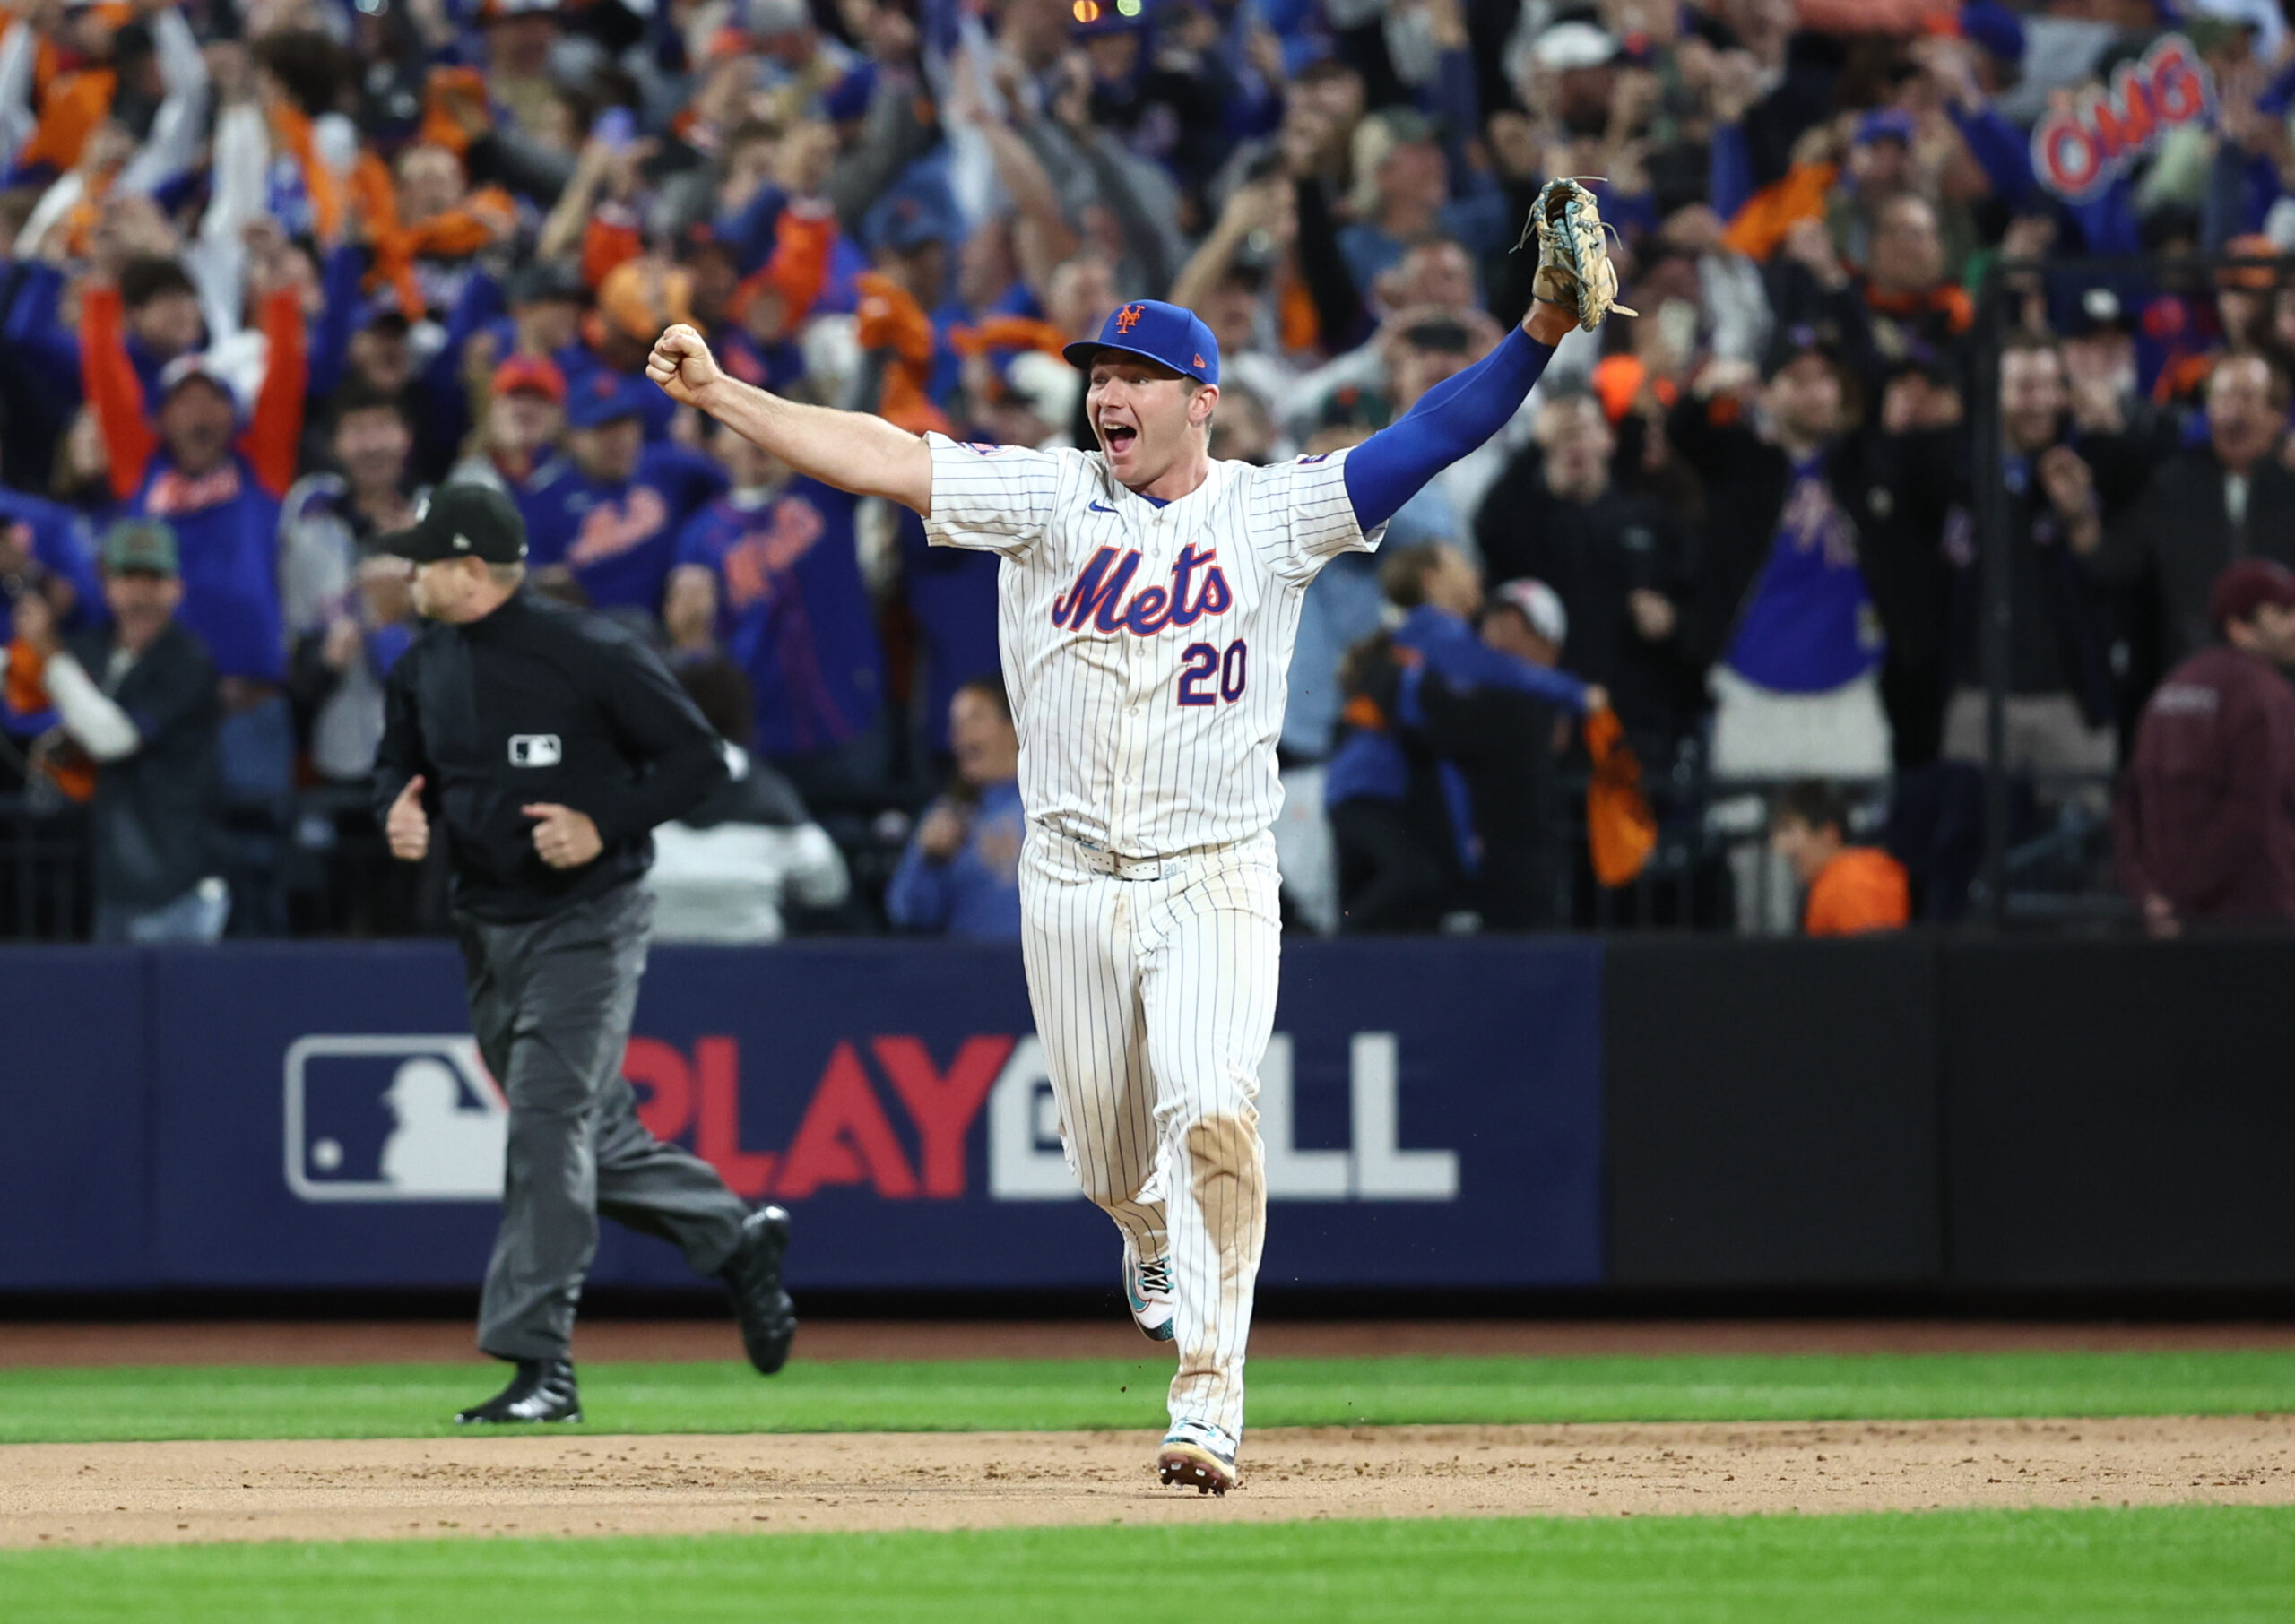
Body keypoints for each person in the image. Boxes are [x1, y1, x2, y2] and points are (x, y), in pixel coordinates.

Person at [649, 228, 1606, 1490]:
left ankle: (1208, 1399)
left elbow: (1427, 437)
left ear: (1199, 402)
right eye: (1099, 374)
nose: (1109, 393)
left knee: (1213, 1110)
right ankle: (1145, 1232)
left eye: (1138, 375)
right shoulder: (1047, 498)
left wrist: (1537, 333)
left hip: (1215, 872)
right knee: (1107, 1159)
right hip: (1072, 880)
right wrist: (724, 395)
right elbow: (884, 457)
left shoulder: (1270, 513)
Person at [368, 484, 795, 1425]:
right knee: (587, 1137)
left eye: (423, 560)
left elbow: (697, 760)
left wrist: (604, 820)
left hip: (588, 920)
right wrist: (398, 806)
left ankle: (540, 1363)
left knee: (547, 1127)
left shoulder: (587, 651)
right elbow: (398, 766)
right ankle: (733, 1236)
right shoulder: (424, 663)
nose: (407, 575)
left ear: (471, 570)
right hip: (487, 925)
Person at [9, 519, 227, 943]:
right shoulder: (93, 650)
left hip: (178, 887)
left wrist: (48, 651)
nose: (141, 593)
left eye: (154, 578)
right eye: (128, 577)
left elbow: (115, 738)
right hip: (110, 882)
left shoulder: (187, 661)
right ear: (107, 586)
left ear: (176, 588)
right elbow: (22, 680)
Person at [2114, 560, 2295, 937]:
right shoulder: (2265, 694)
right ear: (2239, 628)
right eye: (2282, 613)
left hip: (2171, 922)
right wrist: (2183, 897)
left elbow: (2128, 804)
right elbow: (2252, 814)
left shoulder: (2171, 686)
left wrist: (2149, 896)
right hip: (2253, 921)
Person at [886, 678, 1025, 941]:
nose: (960, 732)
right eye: (955, 722)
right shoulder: (949, 813)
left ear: (1012, 728)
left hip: (1050, 971)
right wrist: (928, 861)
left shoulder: (1054, 807)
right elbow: (906, 912)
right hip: (969, 970)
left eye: (975, 717)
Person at [1768, 780, 1911, 938]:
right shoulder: (1838, 879)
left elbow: (1871, 957)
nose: (1778, 844)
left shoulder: (1851, 881)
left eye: (1788, 830)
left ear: (1828, 834)